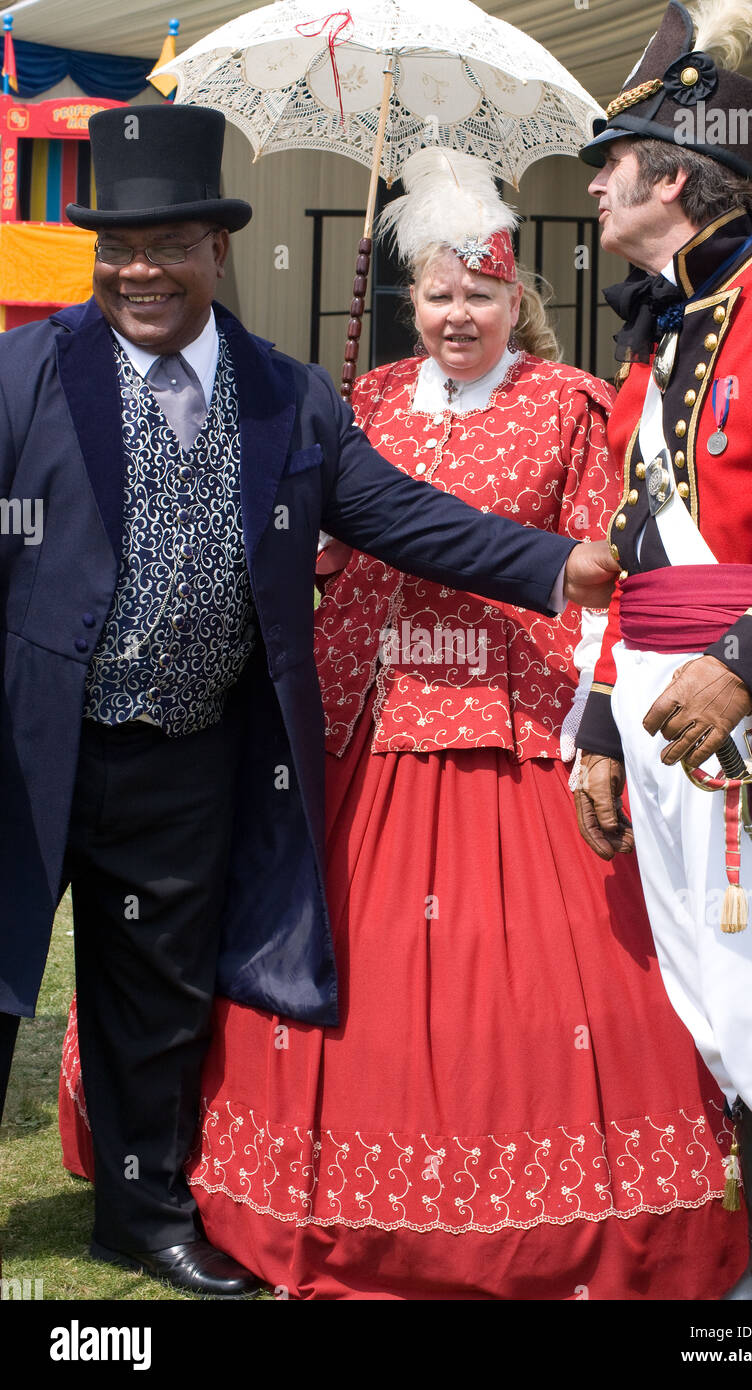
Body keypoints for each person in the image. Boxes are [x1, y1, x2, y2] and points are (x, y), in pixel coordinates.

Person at [95, 148, 752, 1301]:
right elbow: (333, 524)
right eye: (439, 294)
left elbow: (561, 541)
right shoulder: (353, 401)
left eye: (481, 294)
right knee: (310, 940)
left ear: (517, 301)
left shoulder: (572, 406)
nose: (458, 314)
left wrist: (574, 582)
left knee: (535, 985)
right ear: (413, 300)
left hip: (511, 714)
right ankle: (189, 1181)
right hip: (356, 714)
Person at [0, 104, 620, 1298]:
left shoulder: (283, 394)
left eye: (169, 242)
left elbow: (395, 516)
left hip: (187, 753)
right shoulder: (22, 373)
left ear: (216, 250)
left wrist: (553, 564)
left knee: (157, 998)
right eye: (118, 246)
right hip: (31, 746)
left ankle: (140, 1214)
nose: (141, 268)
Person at [572, 0, 752, 1300]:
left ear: (673, 180)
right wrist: (594, 725)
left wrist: (744, 662)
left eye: (609, 163)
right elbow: (628, 543)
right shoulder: (661, 330)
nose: (589, 185)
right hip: (650, 693)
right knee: (708, 972)